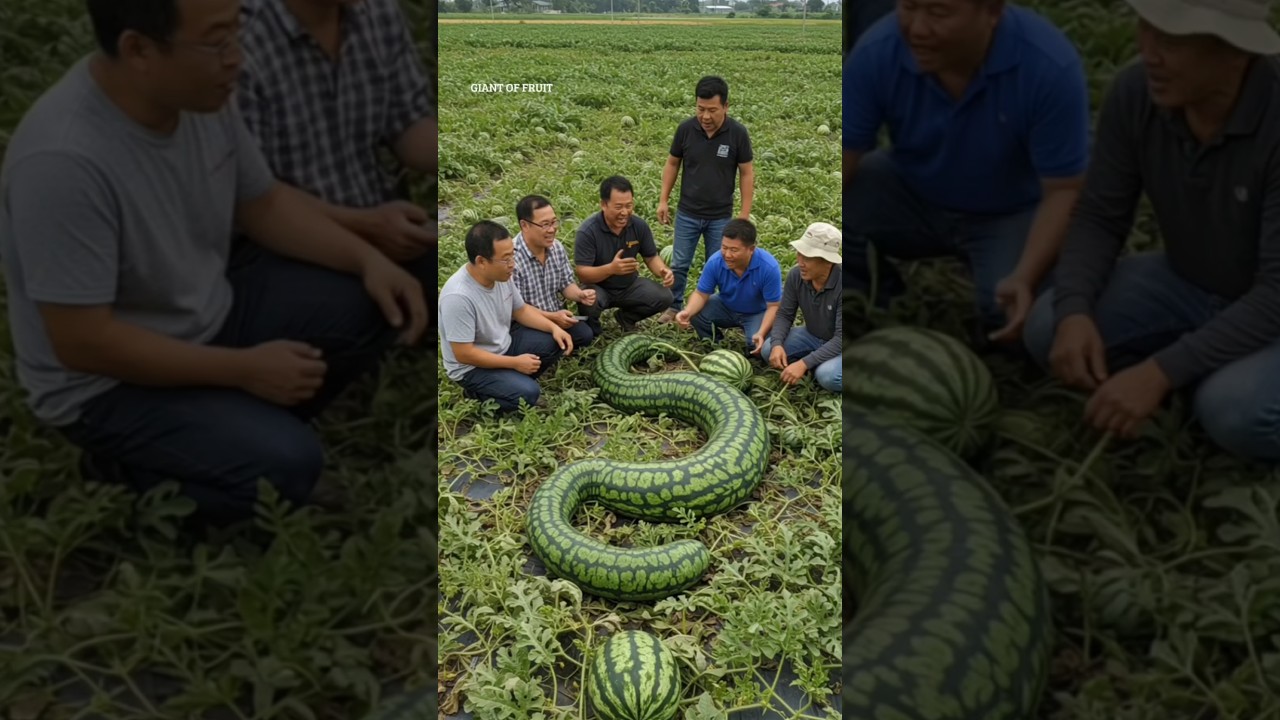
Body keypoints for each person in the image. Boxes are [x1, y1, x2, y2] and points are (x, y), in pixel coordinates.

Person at [0, 0, 428, 529]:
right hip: (106, 385)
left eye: (236, 35)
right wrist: (244, 370)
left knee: (367, 297)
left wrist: (367, 260)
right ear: (139, 50)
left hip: (208, 312)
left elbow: (263, 203)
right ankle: (121, 468)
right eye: (217, 42)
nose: (236, 59)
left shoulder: (198, 97)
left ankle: (227, 424)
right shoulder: (64, 163)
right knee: (287, 468)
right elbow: (84, 342)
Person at [1022, 0, 1280, 460]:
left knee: (1234, 412)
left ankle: (1211, 380)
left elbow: (1276, 292)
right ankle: (1207, 368)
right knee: (1050, 326)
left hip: (1273, 307)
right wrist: (1076, 307)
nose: (1149, 53)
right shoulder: (1137, 92)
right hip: (1191, 281)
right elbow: (1100, 215)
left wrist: (1161, 371)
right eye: (1146, 29)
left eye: (1172, 41)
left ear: (1236, 53)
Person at [843, 0, 1091, 344]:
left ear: (992, 12)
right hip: (913, 193)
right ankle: (882, 301)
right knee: (842, 207)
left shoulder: (1047, 64)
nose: (917, 29)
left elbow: (1064, 190)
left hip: (1010, 212)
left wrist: (1024, 276)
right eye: (909, 7)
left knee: (1010, 314)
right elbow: (843, 158)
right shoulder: (878, 51)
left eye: (939, 13)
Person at [234, 0, 436, 305]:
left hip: (383, 226)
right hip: (288, 241)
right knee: (358, 308)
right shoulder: (243, 37)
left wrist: (473, 150)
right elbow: (256, 199)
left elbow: (408, 123)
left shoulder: (376, 11)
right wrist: (366, 226)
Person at [439, 221, 574, 413]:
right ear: (481, 262)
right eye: (505, 259)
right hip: (471, 368)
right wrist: (515, 363)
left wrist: (554, 328)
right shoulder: (458, 297)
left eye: (513, 255)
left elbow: (521, 310)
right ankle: (476, 393)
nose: (512, 264)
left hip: (503, 346)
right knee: (528, 394)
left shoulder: (501, 276)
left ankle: (508, 381)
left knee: (553, 340)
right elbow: (464, 354)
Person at [656, 76, 754, 322]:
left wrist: (743, 214)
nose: (705, 116)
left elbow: (746, 173)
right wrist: (663, 199)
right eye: (700, 109)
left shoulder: (737, 134)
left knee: (722, 265)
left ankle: (714, 312)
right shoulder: (686, 129)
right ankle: (674, 306)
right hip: (687, 212)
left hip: (720, 216)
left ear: (726, 106)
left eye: (712, 110)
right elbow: (672, 163)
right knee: (679, 263)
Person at [575, 176, 676, 334]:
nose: (624, 212)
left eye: (629, 206)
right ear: (603, 205)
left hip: (629, 286)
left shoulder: (639, 226)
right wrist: (611, 269)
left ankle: (626, 318)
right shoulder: (588, 231)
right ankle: (593, 330)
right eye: (618, 207)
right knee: (588, 300)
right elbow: (582, 273)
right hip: (598, 287)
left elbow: (651, 257)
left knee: (664, 297)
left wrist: (663, 271)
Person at [675, 219, 782, 356]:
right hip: (726, 306)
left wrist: (761, 333)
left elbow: (774, 306)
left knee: (756, 346)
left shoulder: (768, 267)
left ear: (751, 249)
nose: (727, 255)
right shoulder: (716, 261)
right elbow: (701, 294)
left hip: (757, 312)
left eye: (733, 250)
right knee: (696, 312)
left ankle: (754, 343)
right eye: (724, 247)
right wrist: (687, 312)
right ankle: (715, 345)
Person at [763, 223, 843, 393]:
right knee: (768, 349)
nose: (800, 262)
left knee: (828, 376)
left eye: (807, 257)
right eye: (799, 254)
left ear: (827, 262)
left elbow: (841, 339)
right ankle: (818, 362)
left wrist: (804, 363)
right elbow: (785, 314)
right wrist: (777, 344)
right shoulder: (796, 275)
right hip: (813, 336)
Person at [511, 194, 596, 351]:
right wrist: (552, 319)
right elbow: (517, 310)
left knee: (585, 335)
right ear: (525, 225)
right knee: (548, 343)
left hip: (556, 315)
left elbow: (566, 284)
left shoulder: (556, 247)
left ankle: (555, 346)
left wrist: (579, 295)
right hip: (526, 322)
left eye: (554, 222)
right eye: (545, 224)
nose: (552, 229)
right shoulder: (511, 259)